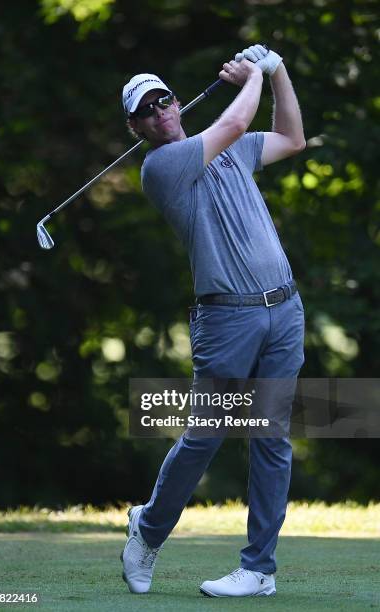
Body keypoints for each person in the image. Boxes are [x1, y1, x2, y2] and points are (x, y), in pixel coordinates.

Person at [120, 44, 306, 598]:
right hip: (228, 322)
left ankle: (259, 570)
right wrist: (255, 73)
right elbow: (234, 119)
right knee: (205, 436)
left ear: (177, 102)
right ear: (138, 127)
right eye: (147, 110)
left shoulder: (232, 150)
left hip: (284, 311)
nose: (160, 112)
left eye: (164, 101)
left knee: (272, 440)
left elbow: (292, 139)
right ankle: (149, 530)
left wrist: (278, 73)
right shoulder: (163, 167)